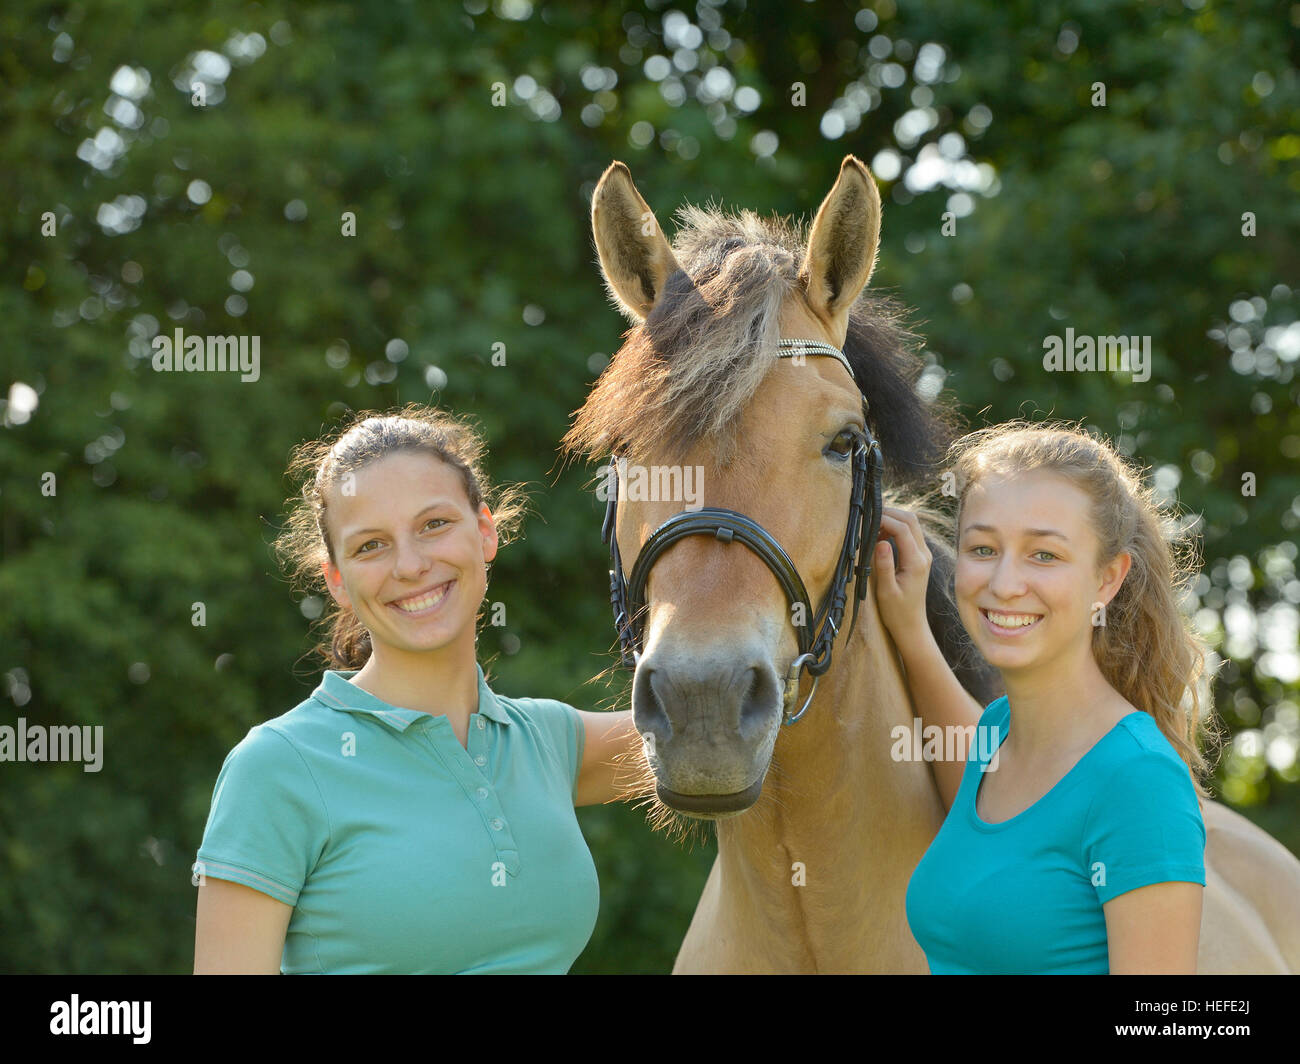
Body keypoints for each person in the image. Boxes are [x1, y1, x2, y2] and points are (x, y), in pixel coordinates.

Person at [192, 405, 638, 974]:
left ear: (485, 532)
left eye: (433, 524)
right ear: (339, 584)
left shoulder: (547, 741)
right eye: (370, 546)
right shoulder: (280, 767)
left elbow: (740, 722)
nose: (410, 564)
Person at [874, 421, 1220, 974]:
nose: (1005, 583)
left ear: (1107, 580)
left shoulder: (1139, 780)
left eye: (1044, 556)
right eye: (983, 548)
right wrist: (912, 632)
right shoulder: (996, 734)